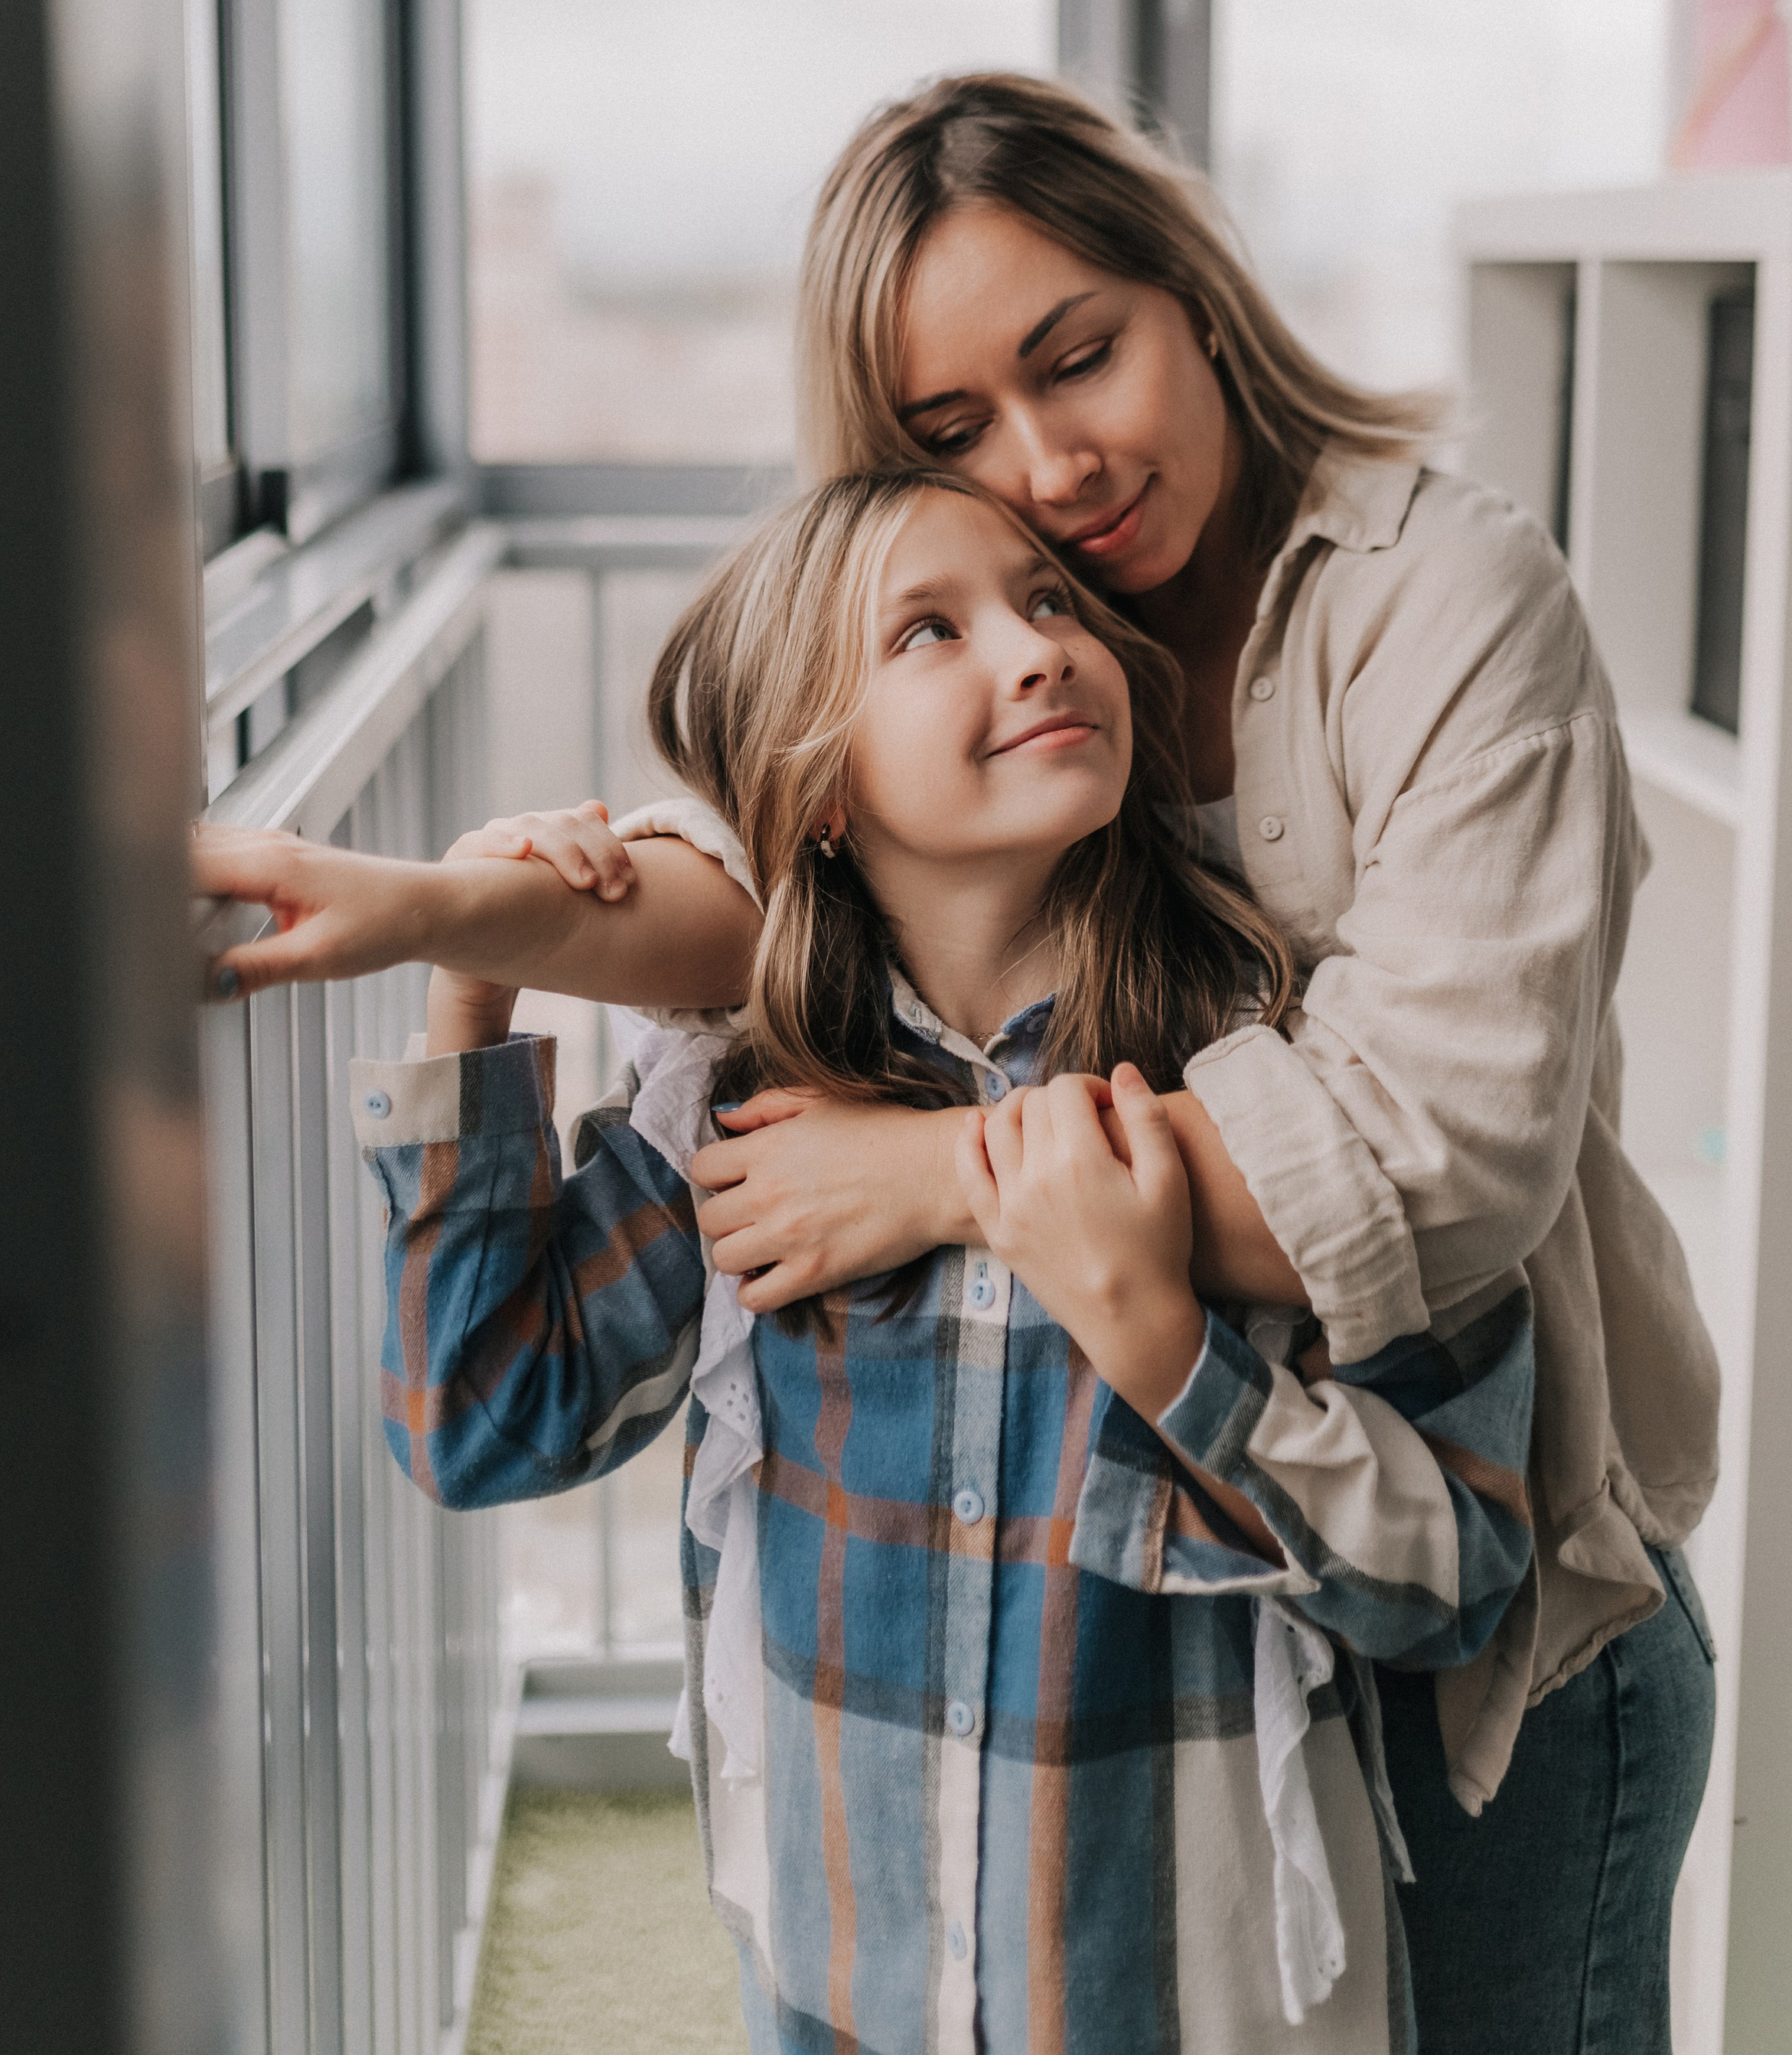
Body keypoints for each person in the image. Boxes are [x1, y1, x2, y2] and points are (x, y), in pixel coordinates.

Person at [435, 75, 1719, 2055]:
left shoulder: (1429, 634)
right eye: (955, 438)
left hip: (1498, 1659)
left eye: (1080, 355)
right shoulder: (825, 1004)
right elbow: (498, 1398)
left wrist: (960, 1190)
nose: (1052, 475)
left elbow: (1435, 1175)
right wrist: (458, 956)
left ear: (1193, 292)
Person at [197, 468, 1539, 2055]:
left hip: (1193, 2006)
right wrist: (468, 989)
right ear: (818, 788)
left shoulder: (1276, 1080)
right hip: (843, 1996)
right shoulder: (742, 1110)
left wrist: (1162, 1340)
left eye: (1048, 599)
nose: (1035, 648)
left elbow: (1452, 1577)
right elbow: (485, 1423)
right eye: (930, 628)